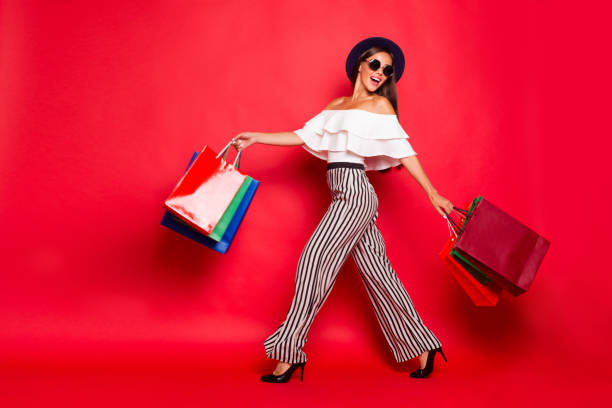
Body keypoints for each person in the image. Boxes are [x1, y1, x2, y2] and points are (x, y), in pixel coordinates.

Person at [231, 37, 452, 383]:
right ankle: (422, 345)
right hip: (341, 195)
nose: (380, 73)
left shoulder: (381, 108)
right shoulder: (337, 105)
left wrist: (433, 193)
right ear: (360, 64)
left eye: (387, 70)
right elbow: (303, 136)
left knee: (313, 261)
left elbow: (405, 151)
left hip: (355, 194)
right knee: (379, 276)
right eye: (375, 64)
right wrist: (258, 136)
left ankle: (288, 355)